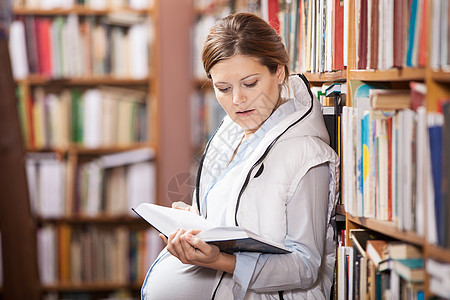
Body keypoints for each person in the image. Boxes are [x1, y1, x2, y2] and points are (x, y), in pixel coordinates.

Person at [141, 12, 339, 300]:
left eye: (250, 84)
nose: (237, 100)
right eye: (223, 88)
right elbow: (244, 217)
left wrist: (217, 260)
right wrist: (198, 221)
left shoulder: (306, 153)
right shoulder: (234, 136)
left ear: (279, 72)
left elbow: (305, 266)